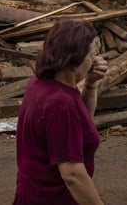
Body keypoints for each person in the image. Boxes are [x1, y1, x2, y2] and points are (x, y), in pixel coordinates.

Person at [14, 19, 109, 205]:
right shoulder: (61, 104)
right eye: (91, 55)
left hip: (33, 194)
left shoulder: (40, 83)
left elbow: (83, 124)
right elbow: (72, 174)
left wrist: (90, 85)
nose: (94, 61)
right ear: (75, 60)